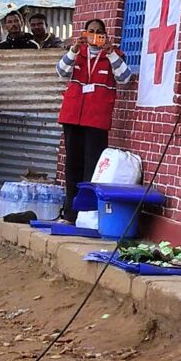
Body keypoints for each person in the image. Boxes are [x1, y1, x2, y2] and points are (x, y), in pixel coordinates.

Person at [54, 19, 127, 220]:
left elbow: (125, 78)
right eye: (91, 31)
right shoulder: (78, 54)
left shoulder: (114, 55)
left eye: (99, 32)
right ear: (85, 34)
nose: (94, 35)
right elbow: (61, 72)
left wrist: (110, 52)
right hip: (72, 116)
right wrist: (74, 49)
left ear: (105, 35)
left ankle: (87, 215)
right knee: (72, 166)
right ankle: (71, 211)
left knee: (92, 167)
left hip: (96, 120)